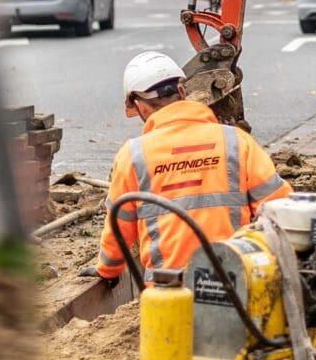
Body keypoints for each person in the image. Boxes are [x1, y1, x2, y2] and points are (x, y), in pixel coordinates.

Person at [97, 50, 291, 286]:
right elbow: (279, 208)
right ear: (182, 92)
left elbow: (119, 226)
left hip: (167, 292)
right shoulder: (236, 143)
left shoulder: (133, 156)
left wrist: (108, 270)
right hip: (234, 281)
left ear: (141, 106)